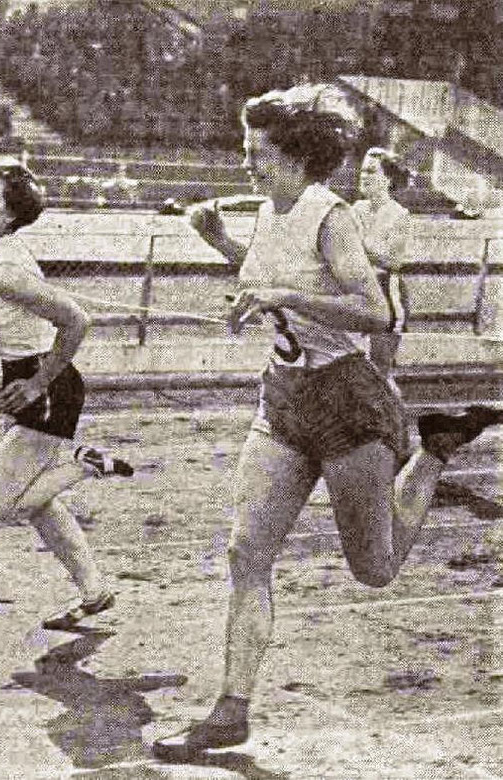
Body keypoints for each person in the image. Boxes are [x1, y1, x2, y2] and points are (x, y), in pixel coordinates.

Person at [153, 84, 503, 760]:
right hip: (282, 399)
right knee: (244, 553)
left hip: (346, 402)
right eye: (247, 149)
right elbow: (268, 278)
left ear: (294, 157)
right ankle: (231, 710)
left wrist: (280, 295)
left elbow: (374, 312)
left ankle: (431, 454)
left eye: (258, 152)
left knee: (373, 568)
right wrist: (219, 239)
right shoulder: (266, 210)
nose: (246, 161)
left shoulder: (329, 214)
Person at [0, 155, 133, 632]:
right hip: (26, 382)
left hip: (45, 387)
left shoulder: (7, 270)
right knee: (38, 503)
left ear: (7, 214)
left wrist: (37, 383)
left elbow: (77, 320)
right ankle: (94, 591)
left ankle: (85, 464)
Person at [352, 146, 411, 379]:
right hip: (357, 290)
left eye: (370, 171)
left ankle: (391, 412)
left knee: (379, 369)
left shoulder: (399, 214)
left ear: (387, 178)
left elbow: (393, 261)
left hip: (387, 292)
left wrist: (358, 244)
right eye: (362, 171)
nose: (363, 176)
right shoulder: (356, 208)